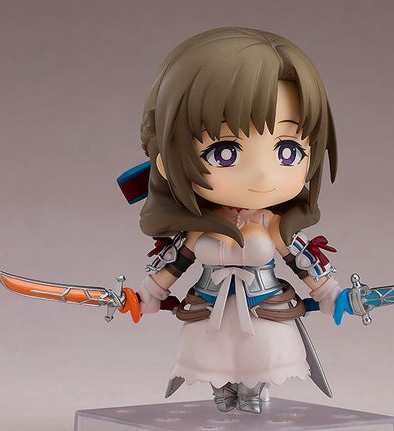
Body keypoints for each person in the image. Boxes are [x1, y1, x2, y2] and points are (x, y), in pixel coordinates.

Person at [130, 27, 349, 414]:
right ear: (168, 160)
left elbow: (303, 260)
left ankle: (251, 395)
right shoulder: (199, 228)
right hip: (209, 312)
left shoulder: (272, 225)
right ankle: (222, 393)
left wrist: (331, 293)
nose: (263, 175)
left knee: (260, 359)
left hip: (265, 310)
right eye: (225, 152)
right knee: (213, 363)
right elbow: (173, 262)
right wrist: (148, 293)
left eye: (287, 150)